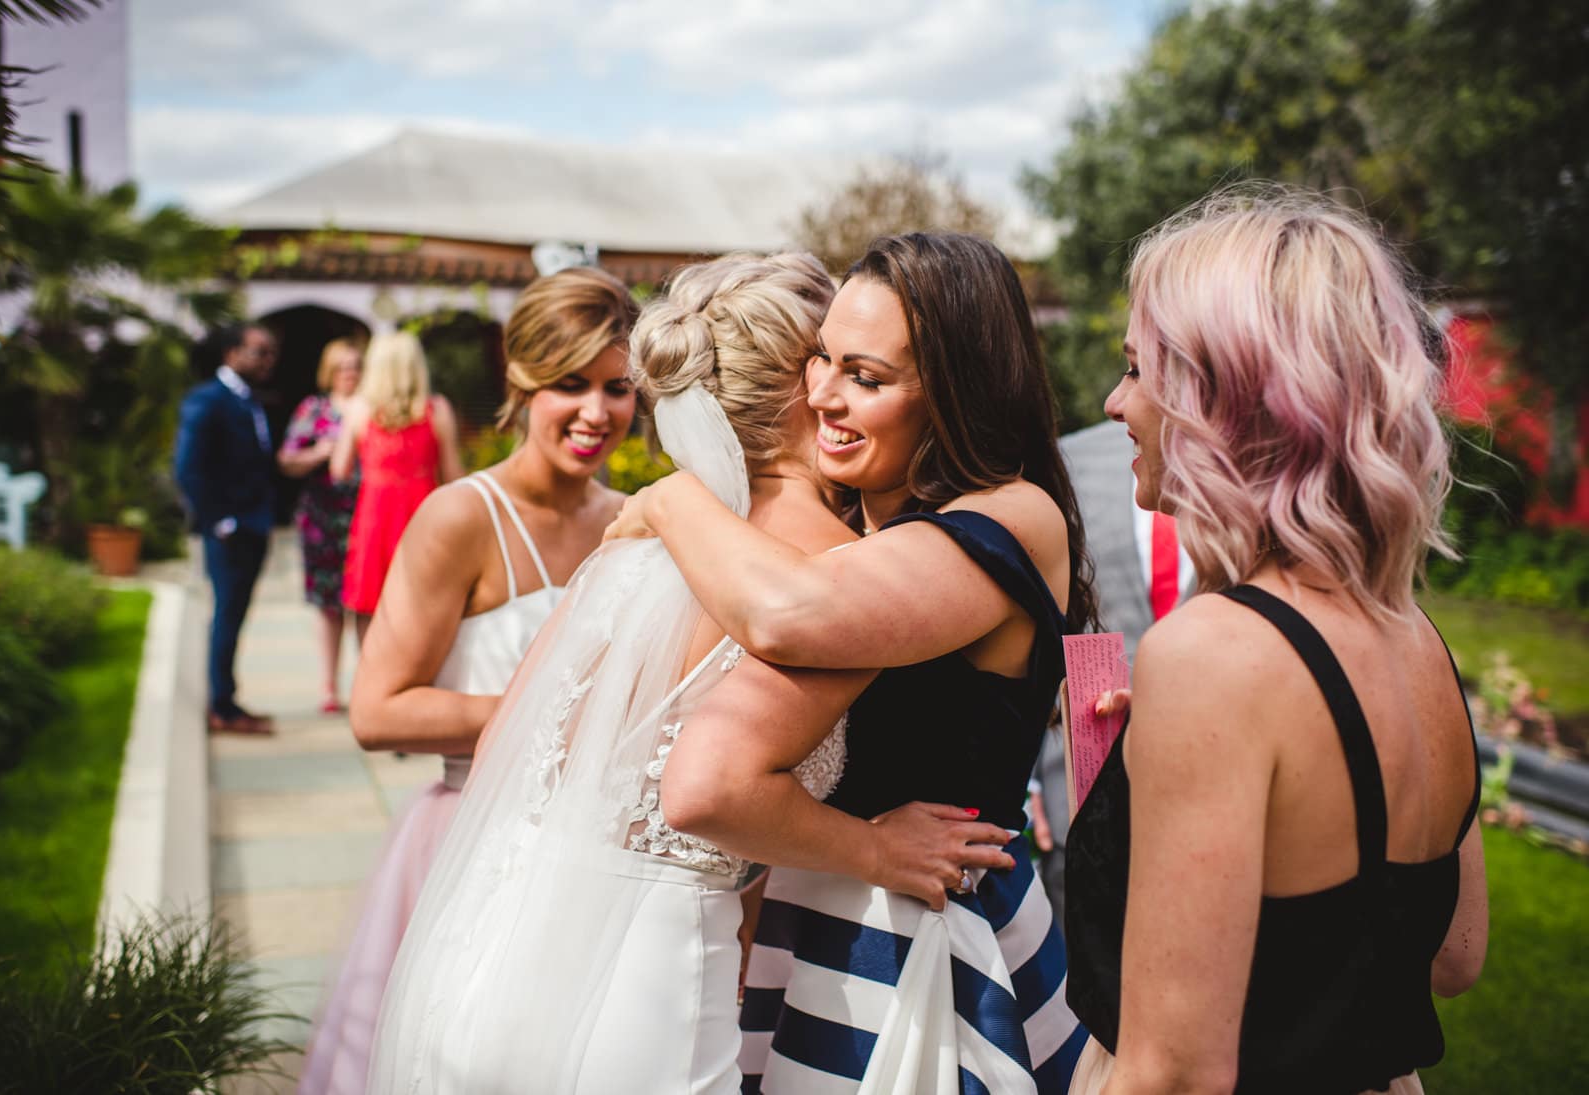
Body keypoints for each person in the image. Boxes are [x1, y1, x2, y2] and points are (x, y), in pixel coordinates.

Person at [369, 251, 1016, 1094]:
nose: (839, 387)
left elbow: (504, 742)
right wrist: (875, 850)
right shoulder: (829, 567)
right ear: (801, 383)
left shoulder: (631, 542)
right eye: (831, 360)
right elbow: (707, 794)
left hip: (484, 950)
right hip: (643, 980)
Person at [603, 232, 1097, 1093]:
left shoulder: (1009, 516)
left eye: (865, 378)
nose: (821, 395)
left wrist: (674, 496)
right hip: (814, 923)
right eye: (822, 359)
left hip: (922, 936)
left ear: (956, 394)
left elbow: (788, 615)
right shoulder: (861, 521)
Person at [1063, 188, 1489, 1095]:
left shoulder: (1215, 656)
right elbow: (1453, 953)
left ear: (1222, 395)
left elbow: (1174, 1075)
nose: (1113, 403)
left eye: (1139, 370)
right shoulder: (1413, 637)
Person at [298, 268, 639, 1095]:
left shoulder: (634, 520)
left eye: (617, 387)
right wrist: (564, 719)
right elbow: (377, 709)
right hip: (472, 845)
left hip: (598, 855)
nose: (597, 412)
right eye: (571, 384)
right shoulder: (459, 517)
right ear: (520, 382)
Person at [1030, 419, 1195, 920]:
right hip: (1082, 785)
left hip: (1225, 793)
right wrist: (1031, 777)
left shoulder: (1282, 467)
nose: (1115, 401)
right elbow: (1038, 627)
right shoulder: (1066, 462)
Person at [174, 323, 280, 735]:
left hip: (253, 524)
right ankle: (222, 707)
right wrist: (220, 521)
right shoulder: (208, 400)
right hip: (230, 530)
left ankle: (228, 700)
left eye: (270, 353)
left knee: (235, 616)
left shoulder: (247, 399)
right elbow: (188, 469)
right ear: (232, 353)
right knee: (226, 615)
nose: (268, 360)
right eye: (260, 352)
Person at [331, 331, 463, 643]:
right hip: (423, 513)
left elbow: (339, 470)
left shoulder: (359, 411)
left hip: (375, 516)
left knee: (370, 604)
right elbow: (454, 474)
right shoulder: (437, 409)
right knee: (423, 597)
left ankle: (370, 675)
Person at [278, 338, 363, 714]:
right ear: (330, 371)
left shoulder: (372, 409)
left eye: (356, 365)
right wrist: (319, 453)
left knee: (366, 605)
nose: (351, 373)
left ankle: (367, 685)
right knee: (328, 606)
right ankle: (329, 687)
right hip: (323, 519)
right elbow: (287, 460)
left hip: (365, 518)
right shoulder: (315, 409)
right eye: (344, 366)